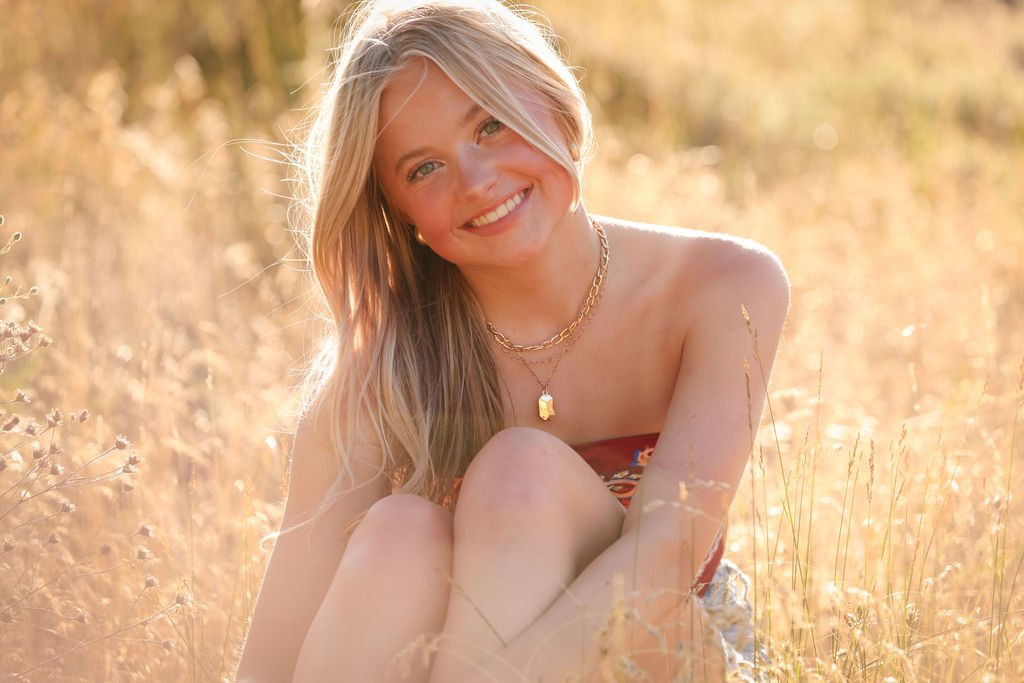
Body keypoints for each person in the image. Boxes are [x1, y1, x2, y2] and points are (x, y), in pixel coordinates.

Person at [236, 0, 788, 681]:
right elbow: (268, 660)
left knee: (519, 474)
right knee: (398, 536)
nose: (475, 180)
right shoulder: (379, 367)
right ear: (400, 216)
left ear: (553, 101)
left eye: (490, 125)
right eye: (423, 169)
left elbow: (666, 556)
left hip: (664, 652)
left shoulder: (723, 284)